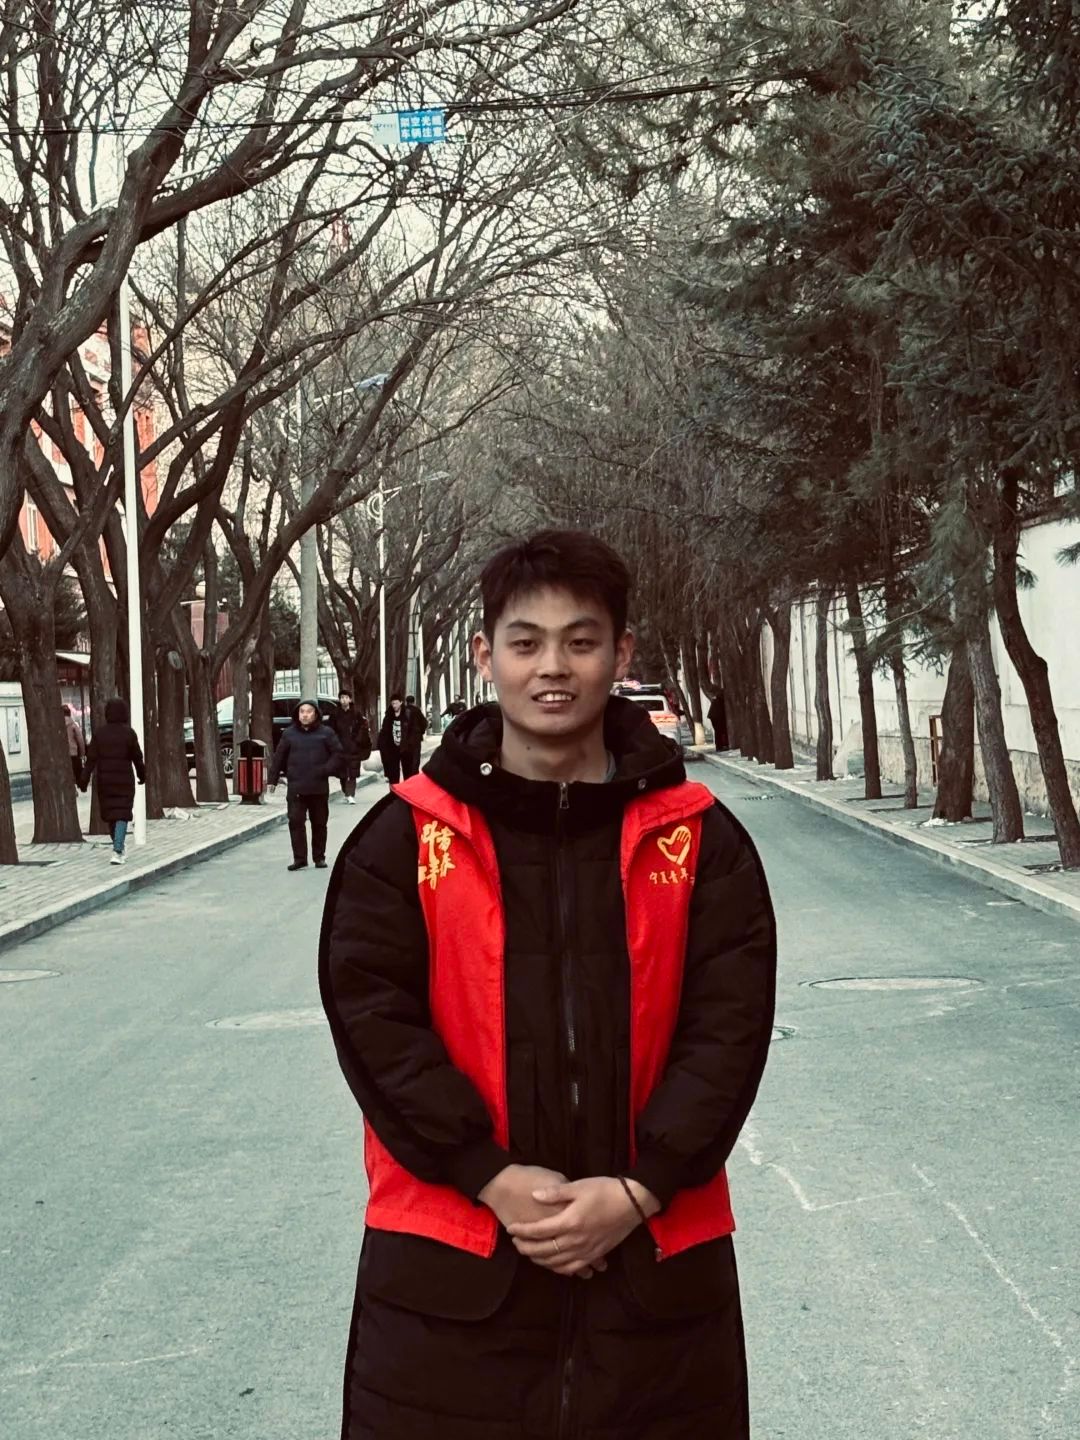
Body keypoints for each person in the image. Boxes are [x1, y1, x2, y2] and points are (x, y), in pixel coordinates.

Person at [320, 529, 777, 1440]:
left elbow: (728, 1035)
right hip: (450, 1283)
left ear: (622, 653)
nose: (553, 668)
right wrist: (485, 1174)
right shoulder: (405, 839)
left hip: (654, 1287)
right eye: (525, 643)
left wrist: (641, 1189)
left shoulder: (698, 838)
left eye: (582, 641)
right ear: (485, 654)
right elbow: (375, 1027)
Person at [267, 699, 343, 870]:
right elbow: (279, 757)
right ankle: (300, 858)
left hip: (318, 787)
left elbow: (338, 754)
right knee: (295, 822)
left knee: (319, 823)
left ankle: (319, 857)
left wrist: (326, 769)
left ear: (315, 714)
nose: (305, 715)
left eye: (309, 711)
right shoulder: (289, 734)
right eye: (302, 712)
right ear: (298, 714)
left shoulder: (326, 733)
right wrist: (272, 779)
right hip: (296, 787)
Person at [79, 697, 145, 865]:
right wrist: (142, 775)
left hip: (105, 782)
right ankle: (118, 849)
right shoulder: (129, 734)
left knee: (111, 815)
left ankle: (118, 845)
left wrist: (84, 780)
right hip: (124, 781)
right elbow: (137, 757)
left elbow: (91, 759)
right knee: (122, 813)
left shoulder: (100, 734)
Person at [329, 691, 372, 805]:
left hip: (353, 747)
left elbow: (363, 727)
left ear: (350, 699)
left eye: (346, 697)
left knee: (352, 772)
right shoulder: (335, 714)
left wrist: (357, 740)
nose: (344, 700)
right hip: (340, 748)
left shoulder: (356, 713)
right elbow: (331, 730)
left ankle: (350, 794)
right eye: (342, 697)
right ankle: (346, 792)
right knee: (342, 773)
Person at [376, 693, 412, 785]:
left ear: (401, 703)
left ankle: (406, 791)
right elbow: (384, 730)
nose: (394, 705)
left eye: (396, 703)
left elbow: (414, 730)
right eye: (393, 703)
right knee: (393, 773)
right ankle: (394, 791)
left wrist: (411, 743)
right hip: (392, 748)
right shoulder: (388, 715)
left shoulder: (407, 714)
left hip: (405, 748)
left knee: (408, 772)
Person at [400, 693, 428, 779]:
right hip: (415, 739)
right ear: (413, 701)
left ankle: (406, 777)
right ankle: (414, 776)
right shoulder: (417, 711)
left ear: (406, 702)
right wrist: (421, 732)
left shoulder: (401, 711)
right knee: (415, 758)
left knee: (405, 759)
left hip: (404, 740)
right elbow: (424, 723)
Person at [62, 704, 86, 787]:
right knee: (76, 774)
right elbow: (80, 740)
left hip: (61, 756)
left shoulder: (57, 726)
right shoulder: (73, 725)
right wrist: (82, 754)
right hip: (73, 754)